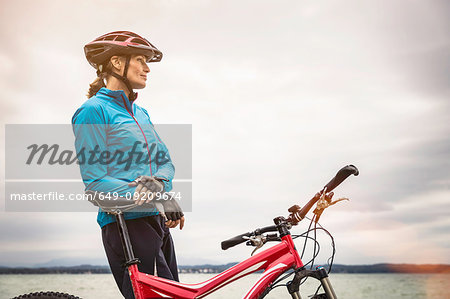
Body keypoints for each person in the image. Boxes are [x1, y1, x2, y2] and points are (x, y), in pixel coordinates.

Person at [71, 31, 185, 299]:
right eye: (139, 59)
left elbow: (164, 162)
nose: (147, 68)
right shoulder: (93, 111)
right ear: (116, 63)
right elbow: (95, 183)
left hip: (155, 221)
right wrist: (148, 195)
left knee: (177, 295)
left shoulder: (141, 113)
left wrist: (161, 190)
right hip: (125, 224)